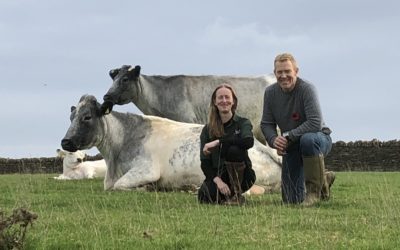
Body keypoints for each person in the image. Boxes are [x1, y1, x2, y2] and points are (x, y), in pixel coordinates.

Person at [260, 53, 335, 206]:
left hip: (318, 139)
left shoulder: (307, 89)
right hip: (292, 145)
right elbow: (266, 124)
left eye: (288, 71)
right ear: (275, 73)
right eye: (279, 72)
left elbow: (315, 122)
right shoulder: (270, 93)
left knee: (308, 139)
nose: (284, 76)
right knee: (290, 199)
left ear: (296, 71)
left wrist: (287, 137)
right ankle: (323, 179)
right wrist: (275, 140)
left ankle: (314, 193)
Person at [198, 84, 256, 205]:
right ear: (215, 102)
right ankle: (226, 197)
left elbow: (248, 142)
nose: (224, 101)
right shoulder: (207, 129)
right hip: (220, 175)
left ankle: (236, 194)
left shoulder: (242, 123)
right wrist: (218, 181)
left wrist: (219, 142)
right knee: (204, 196)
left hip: (243, 176)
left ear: (233, 101)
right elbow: (205, 162)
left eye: (227, 97)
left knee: (234, 149)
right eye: (220, 98)